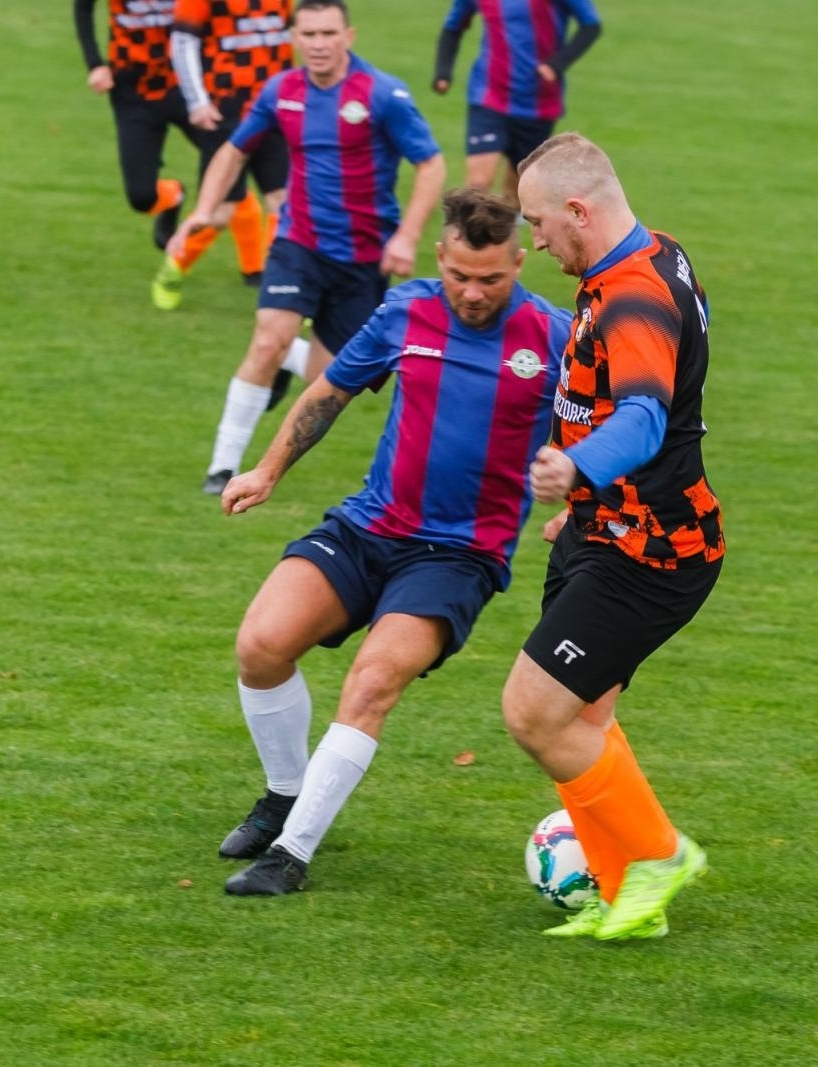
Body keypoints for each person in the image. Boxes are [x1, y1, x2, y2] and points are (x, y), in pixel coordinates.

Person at [215, 188, 572, 896]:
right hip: (367, 526)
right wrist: (266, 467)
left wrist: (581, 501)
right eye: (460, 276)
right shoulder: (405, 309)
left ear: (520, 262)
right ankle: (285, 792)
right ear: (440, 256)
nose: (473, 293)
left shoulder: (556, 337)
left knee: (372, 681)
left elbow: (601, 428)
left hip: (458, 556)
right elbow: (328, 393)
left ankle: (291, 853)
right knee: (260, 644)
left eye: (491, 279)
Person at [503, 133, 724, 942]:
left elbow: (641, 418)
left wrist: (575, 468)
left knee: (533, 711)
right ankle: (626, 896)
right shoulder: (653, 254)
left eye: (538, 223)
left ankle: (659, 854)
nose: (534, 242)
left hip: (653, 552)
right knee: (581, 718)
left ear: (579, 211)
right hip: (608, 529)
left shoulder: (633, 297)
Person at [174, 0, 448, 496]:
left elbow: (430, 165)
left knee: (329, 382)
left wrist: (406, 236)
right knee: (266, 338)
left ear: (349, 35)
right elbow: (235, 149)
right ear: (293, 38)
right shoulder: (282, 90)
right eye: (309, 34)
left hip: (363, 259)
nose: (319, 44)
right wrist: (203, 208)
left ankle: (287, 358)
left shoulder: (382, 94)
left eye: (328, 33)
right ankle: (223, 468)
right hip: (298, 244)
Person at [149, 0, 295, 311]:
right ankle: (174, 267)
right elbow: (182, 43)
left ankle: (285, 290)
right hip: (225, 110)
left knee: (283, 203)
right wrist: (197, 101)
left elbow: (292, 40)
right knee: (219, 212)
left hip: (275, 109)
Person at [73, 1, 204, 267]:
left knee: (231, 158)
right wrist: (95, 64)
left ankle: (258, 268)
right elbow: (82, 7)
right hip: (133, 92)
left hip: (187, 86)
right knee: (141, 197)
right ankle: (173, 196)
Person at [432, 0, 602, 204]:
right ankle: (465, 234)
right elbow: (453, 26)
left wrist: (557, 64)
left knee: (513, 197)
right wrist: (443, 72)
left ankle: (502, 228)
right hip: (488, 94)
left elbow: (591, 25)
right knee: (477, 184)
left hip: (538, 101)